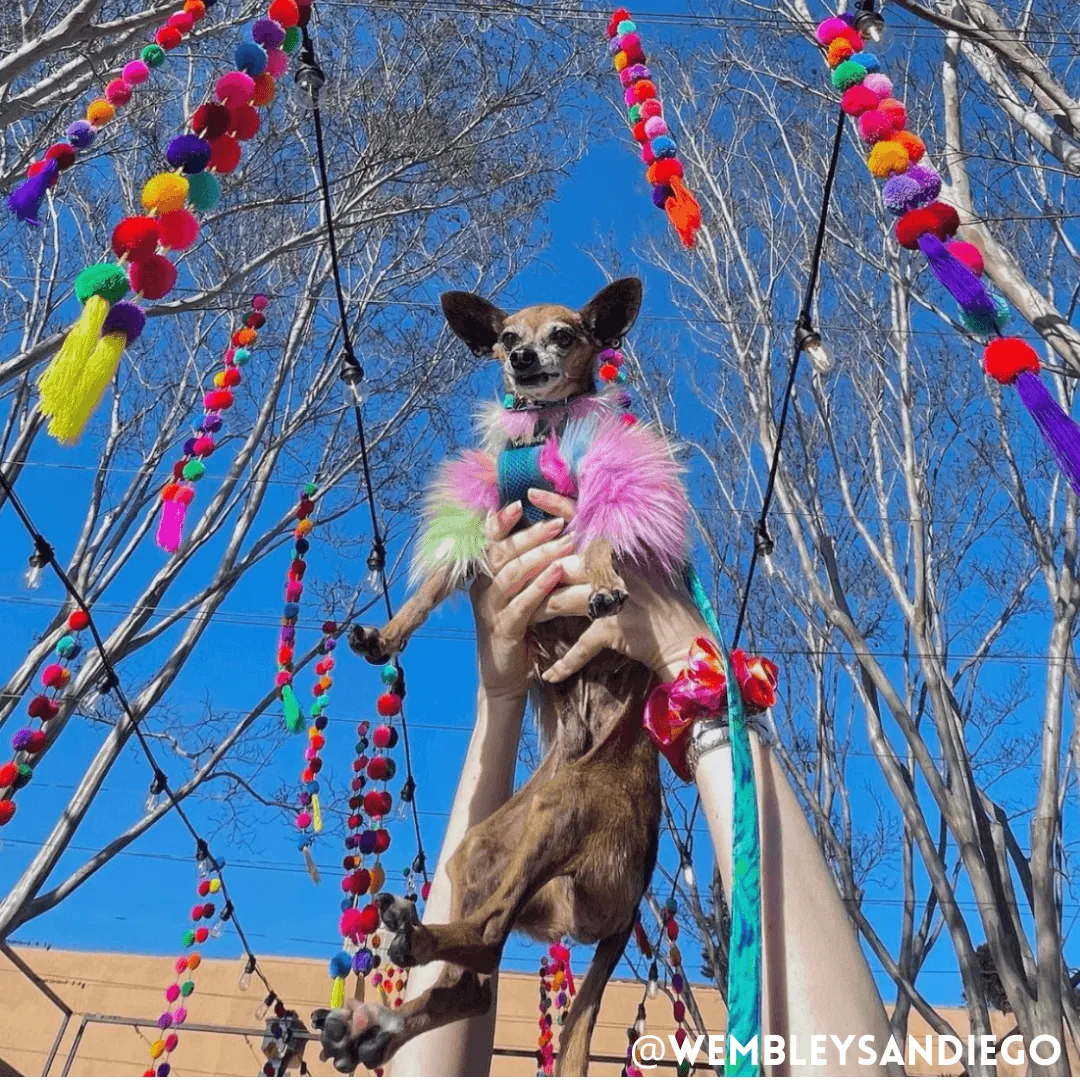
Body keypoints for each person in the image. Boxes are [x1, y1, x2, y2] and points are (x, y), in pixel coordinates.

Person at [390, 490, 892, 1077]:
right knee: (471, 867)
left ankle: (464, 953)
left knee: (493, 858)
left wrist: (683, 656)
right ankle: (462, 963)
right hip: (583, 837)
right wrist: (503, 697)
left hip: (596, 827)